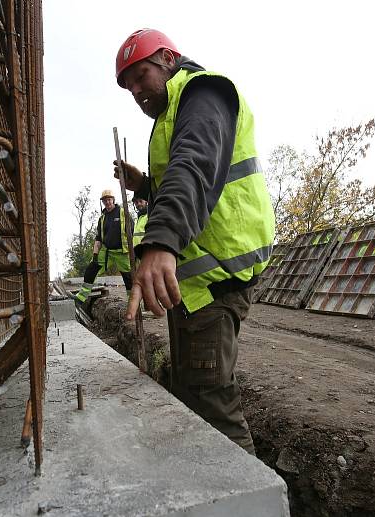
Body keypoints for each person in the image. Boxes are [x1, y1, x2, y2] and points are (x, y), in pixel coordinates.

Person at [113, 29, 275, 453]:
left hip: (218, 274)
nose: (136, 90)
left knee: (210, 398)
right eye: (128, 86)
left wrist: (160, 242)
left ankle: (251, 496)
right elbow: (180, 181)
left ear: (168, 58)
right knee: (190, 387)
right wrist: (145, 185)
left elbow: (195, 167)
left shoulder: (202, 93)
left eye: (140, 75)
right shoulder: (173, 113)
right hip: (193, 282)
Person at [74, 189, 132, 307]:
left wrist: (133, 251)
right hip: (107, 252)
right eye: (105, 200)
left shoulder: (122, 213)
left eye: (109, 199)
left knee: (129, 277)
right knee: (92, 269)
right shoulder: (102, 218)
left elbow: (132, 231)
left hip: (122, 252)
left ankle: (133, 302)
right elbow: (98, 238)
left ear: (113, 200)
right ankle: (81, 297)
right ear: (103, 202)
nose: (107, 202)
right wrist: (95, 255)